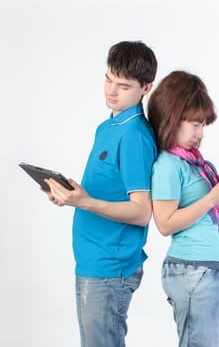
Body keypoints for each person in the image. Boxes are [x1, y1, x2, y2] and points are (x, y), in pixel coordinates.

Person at [44, 41, 158, 347]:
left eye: (123, 85)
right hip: (92, 261)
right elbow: (102, 193)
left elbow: (142, 211)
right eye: (108, 79)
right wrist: (68, 198)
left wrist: (86, 202)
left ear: (146, 87)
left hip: (111, 266)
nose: (112, 91)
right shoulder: (106, 128)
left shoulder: (134, 135)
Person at [147, 70, 219, 347]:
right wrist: (211, 199)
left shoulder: (194, 163)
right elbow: (165, 223)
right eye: (194, 124)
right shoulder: (167, 166)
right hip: (194, 271)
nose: (200, 133)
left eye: (203, 125)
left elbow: (207, 204)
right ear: (172, 118)